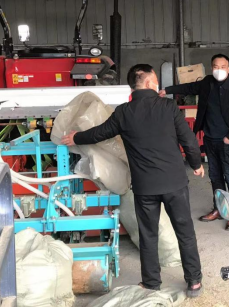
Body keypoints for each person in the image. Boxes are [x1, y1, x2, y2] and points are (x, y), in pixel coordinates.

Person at [62, 64, 205, 298]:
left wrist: (76, 137)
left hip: (145, 186)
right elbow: (188, 140)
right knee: (185, 231)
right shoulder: (168, 107)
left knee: (148, 235)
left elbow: (99, 133)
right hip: (174, 183)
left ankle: (151, 282)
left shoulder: (124, 113)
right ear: (149, 82)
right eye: (155, 79)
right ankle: (194, 282)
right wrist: (196, 163)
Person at [160, 54, 229, 231]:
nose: (219, 70)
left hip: (228, 140)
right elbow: (189, 87)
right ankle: (219, 208)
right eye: (216, 67)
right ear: (212, 68)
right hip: (210, 138)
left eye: (223, 67)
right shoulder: (207, 83)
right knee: (215, 176)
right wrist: (167, 90)